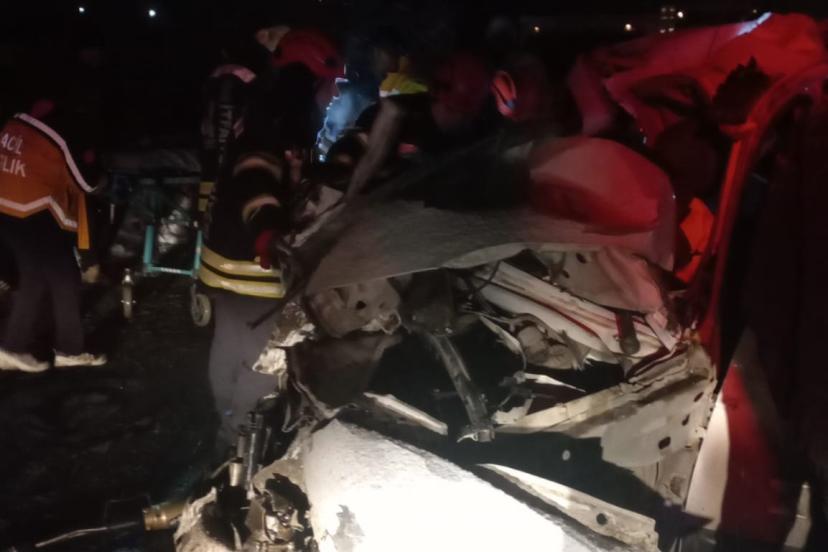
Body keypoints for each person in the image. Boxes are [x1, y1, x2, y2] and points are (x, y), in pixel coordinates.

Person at [199, 29, 343, 449]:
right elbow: (256, 175)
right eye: (331, 84)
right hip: (255, 268)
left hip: (223, 260)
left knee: (228, 344)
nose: (335, 94)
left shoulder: (263, 107)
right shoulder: (281, 120)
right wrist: (268, 230)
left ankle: (223, 425)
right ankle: (237, 444)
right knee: (266, 361)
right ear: (311, 78)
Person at [0, 97, 106, 372]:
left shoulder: (14, 123)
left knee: (34, 276)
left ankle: (13, 346)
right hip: (33, 212)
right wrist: (95, 166)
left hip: (6, 208)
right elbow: (86, 184)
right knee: (65, 279)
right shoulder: (60, 137)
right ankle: (69, 351)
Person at [345, 51, 493, 199]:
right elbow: (359, 165)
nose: (465, 119)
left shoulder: (475, 134)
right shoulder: (392, 116)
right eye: (458, 111)